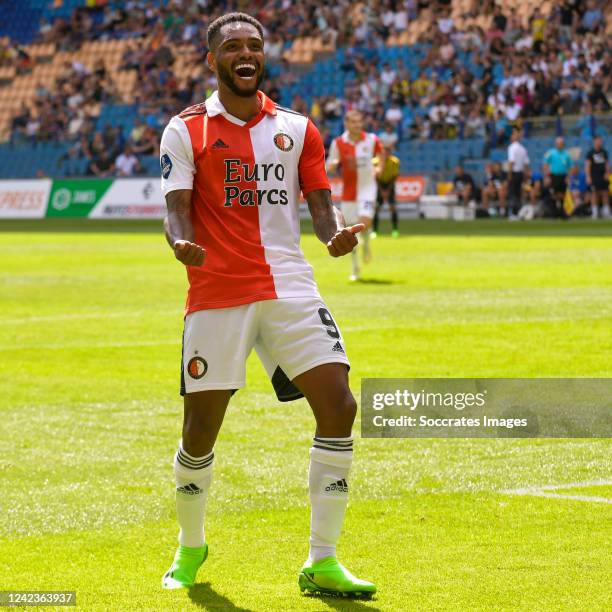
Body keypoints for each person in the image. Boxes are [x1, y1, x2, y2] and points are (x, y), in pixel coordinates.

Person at [158, 12, 376, 599]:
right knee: (201, 429)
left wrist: (332, 235)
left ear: (264, 56)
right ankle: (190, 545)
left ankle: (322, 560)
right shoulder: (186, 130)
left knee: (339, 405)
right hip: (217, 292)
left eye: (254, 45)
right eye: (232, 46)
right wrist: (180, 242)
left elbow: (320, 201)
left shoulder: (299, 129)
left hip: (290, 287)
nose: (245, 53)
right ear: (214, 60)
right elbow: (177, 205)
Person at [327, 110, 384, 281]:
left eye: (360, 121)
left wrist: (380, 168)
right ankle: (355, 268)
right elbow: (329, 163)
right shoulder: (338, 143)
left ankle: (365, 243)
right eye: (354, 122)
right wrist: (333, 165)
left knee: (364, 222)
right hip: (349, 193)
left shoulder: (371, 140)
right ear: (347, 124)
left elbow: (381, 154)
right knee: (349, 231)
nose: (357, 125)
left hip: (368, 189)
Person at [372, 144, 400, 238]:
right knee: (376, 208)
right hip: (378, 185)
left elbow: (394, 177)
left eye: (388, 151)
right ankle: (374, 231)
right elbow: (375, 178)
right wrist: (381, 190)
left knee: (392, 208)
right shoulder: (375, 161)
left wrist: (387, 190)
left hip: (389, 185)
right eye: (384, 151)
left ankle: (395, 230)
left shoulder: (395, 161)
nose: (386, 153)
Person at [543, 137, 573, 218]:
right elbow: (545, 164)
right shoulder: (550, 153)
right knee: (553, 194)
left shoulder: (567, 154)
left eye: (561, 143)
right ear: (556, 144)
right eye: (558, 143)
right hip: (553, 176)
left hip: (563, 176)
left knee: (562, 194)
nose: (560, 145)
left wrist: (568, 177)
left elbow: (570, 167)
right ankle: (554, 211)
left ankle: (561, 211)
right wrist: (547, 176)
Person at [585, 135, 610, 219]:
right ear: (594, 141)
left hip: (603, 176)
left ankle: (606, 211)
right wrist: (588, 176)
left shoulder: (604, 152)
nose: (599, 142)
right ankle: (595, 212)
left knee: (605, 193)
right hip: (594, 176)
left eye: (600, 140)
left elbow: (606, 164)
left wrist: (607, 173)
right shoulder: (590, 153)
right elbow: (587, 165)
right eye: (598, 140)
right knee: (594, 194)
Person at [507, 127, 530, 217]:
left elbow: (511, 161)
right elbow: (526, 164)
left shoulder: (512, 147)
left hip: (514, 172)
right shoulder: (523, 149)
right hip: (520, 173)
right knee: (518, 193)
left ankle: (514, 212)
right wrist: (525, 176)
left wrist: (509, 174)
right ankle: (519, 211)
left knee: (512, 193)